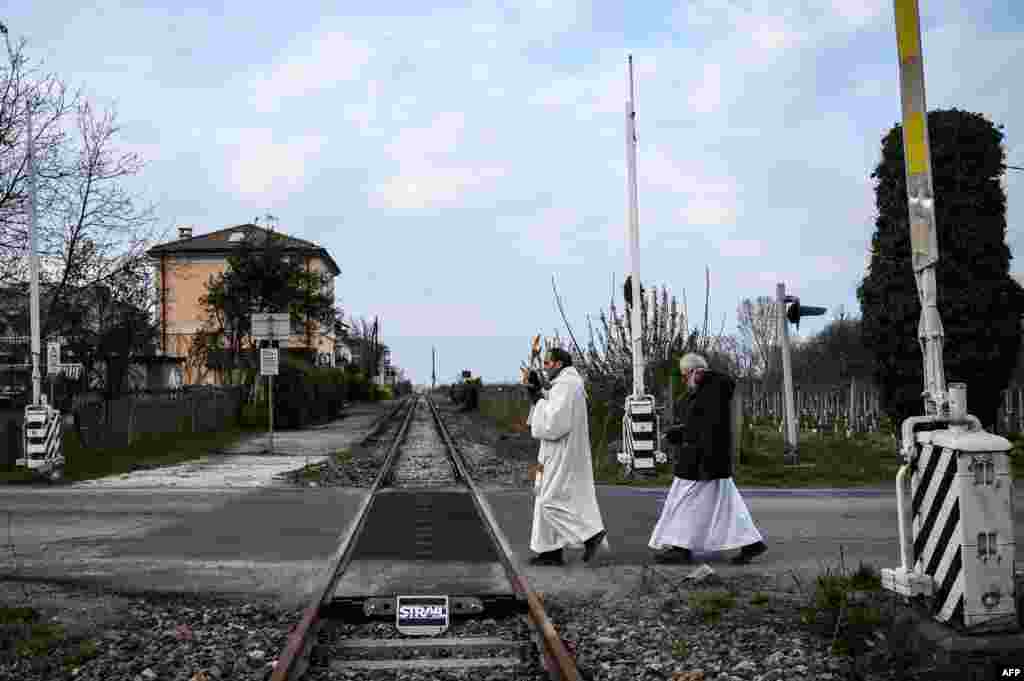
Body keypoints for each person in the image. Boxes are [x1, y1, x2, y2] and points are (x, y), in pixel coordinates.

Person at [649, 353, 767, 565]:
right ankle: (751, 543)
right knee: (727, 507)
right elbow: (701, 425)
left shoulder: (710, 391)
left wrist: (680, 434)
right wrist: (679, 432)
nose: (685, 380)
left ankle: (681, 548)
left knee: (683, 503)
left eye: (685, 375)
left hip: (702, 460)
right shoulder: (711, 390)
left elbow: (704, 428)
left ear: (696, 372)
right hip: (709, 460)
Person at [525, 347, 608, 566]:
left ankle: (590, 535)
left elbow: (554, 424)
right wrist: (538, 394)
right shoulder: (567, 385)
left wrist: (537, 400)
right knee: (542, 497)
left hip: (561, 453)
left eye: (547, 363)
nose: (545, 366)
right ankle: (549, 551)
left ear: (559, 364)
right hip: (555, 452)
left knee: (549, 500)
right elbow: (554, 409)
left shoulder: (567, 385)